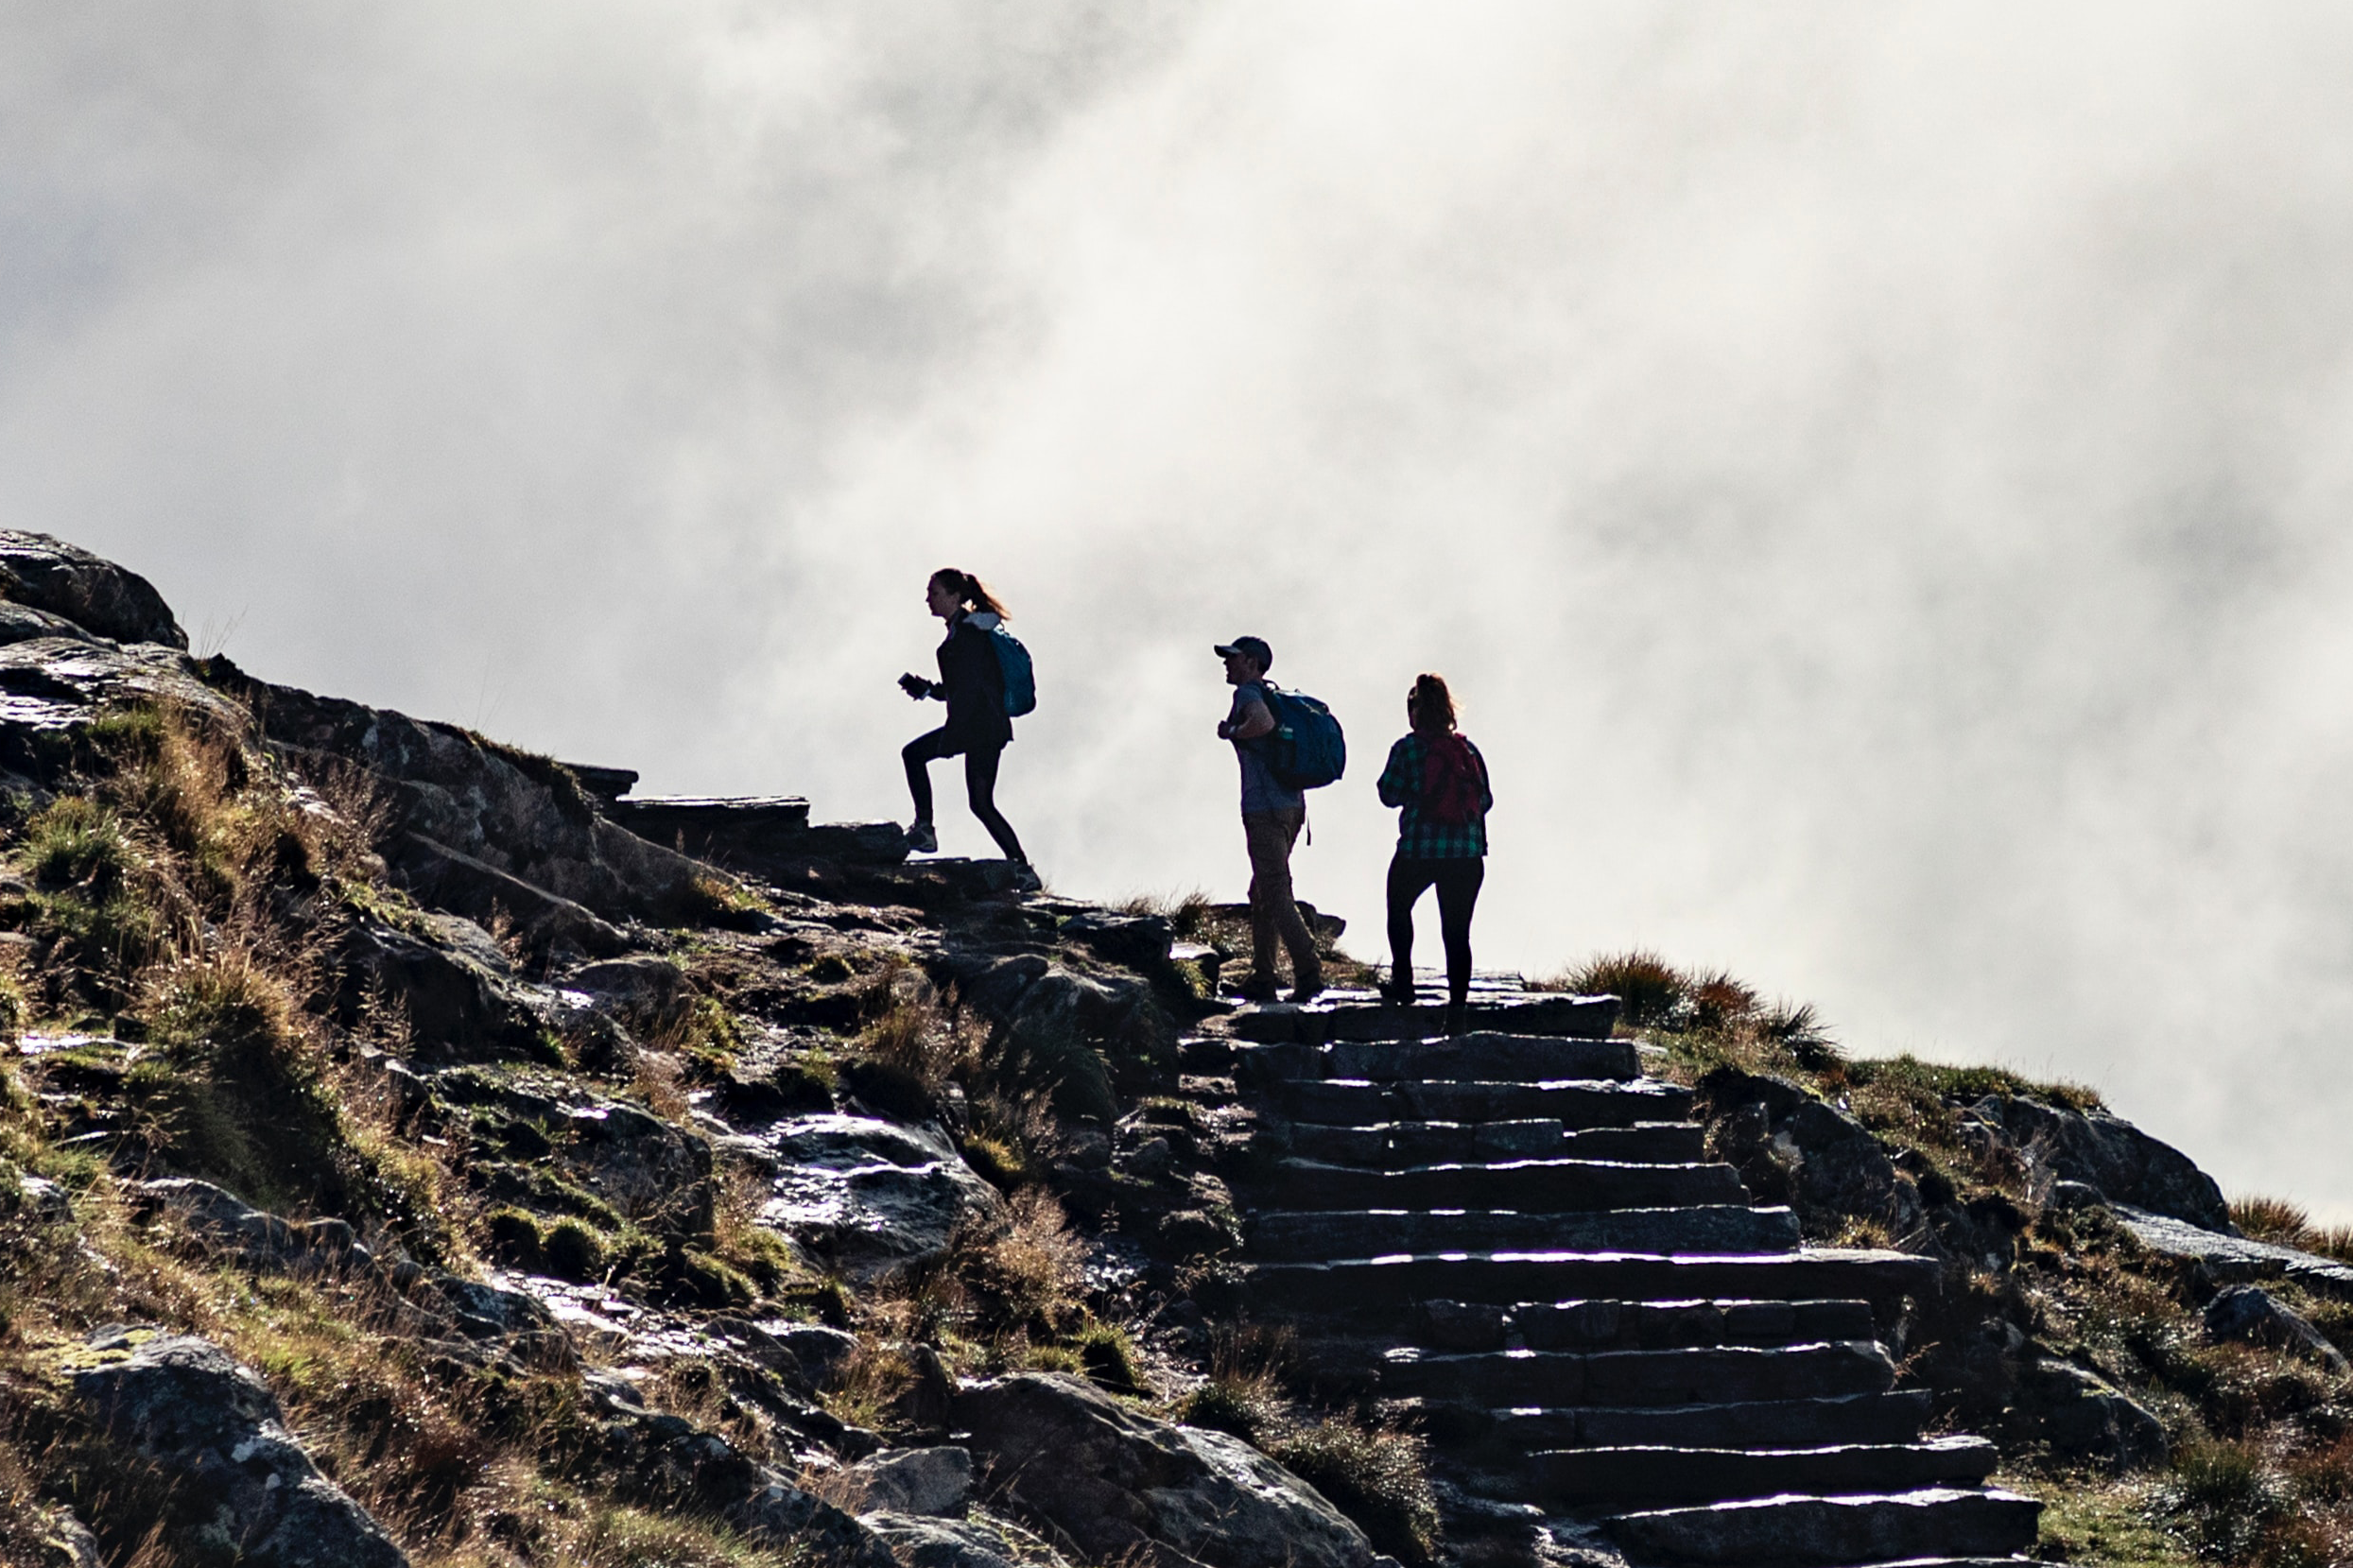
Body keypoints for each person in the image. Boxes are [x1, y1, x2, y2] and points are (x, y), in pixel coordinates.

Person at [898, 568, 1032, 883]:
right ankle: (1022, 869)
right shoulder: (965, 632)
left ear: (955, 596)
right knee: (981, 803)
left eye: (935, 592)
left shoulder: (968, 634)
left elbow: (973, 688)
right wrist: (929, 690)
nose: (928, 598)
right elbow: (962, 687)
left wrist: (954, 728)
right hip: (983, 727)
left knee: (914, 756)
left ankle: (925, 830)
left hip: (977, 727)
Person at [1375, 672, 1492, 1035]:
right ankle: (1457, 1010)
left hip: (1419, 850)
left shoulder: (1407, 748)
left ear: (1415, 711)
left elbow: (1388, 794)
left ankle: (1404, 983)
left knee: (1399, 906)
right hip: (1467, 855)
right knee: (1457, 932)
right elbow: (1485, 800)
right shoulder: (1468, 750)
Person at [1214, 635, 1323, 1003]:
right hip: (1292, 807)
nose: (1227, 664)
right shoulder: (1274, 695)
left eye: (1233, 658)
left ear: (1252, 662)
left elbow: (1261, 724)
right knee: (1260, 890)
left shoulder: (1248, 695)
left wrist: (1232, 731)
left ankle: (1308, 969)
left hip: (1264, 809)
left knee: (1274, 891)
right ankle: (1263, 977)